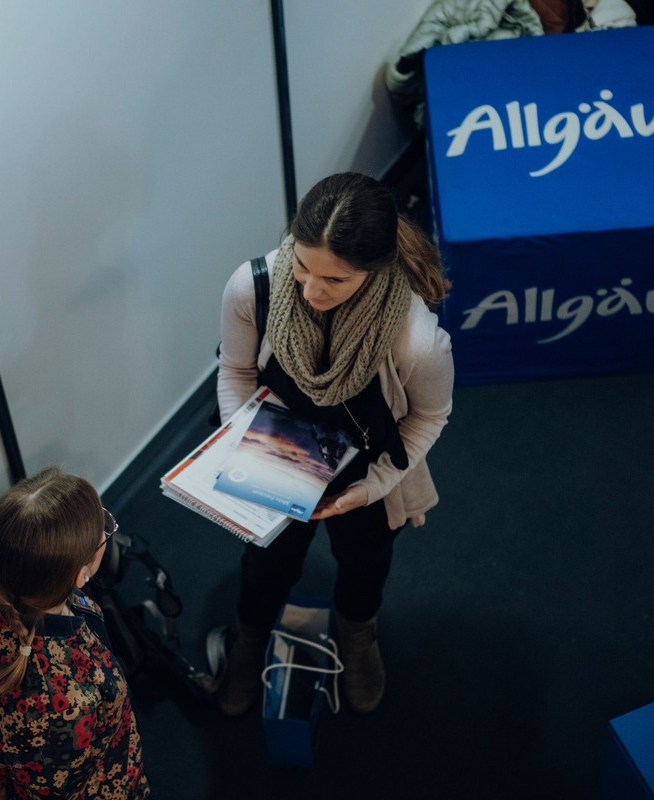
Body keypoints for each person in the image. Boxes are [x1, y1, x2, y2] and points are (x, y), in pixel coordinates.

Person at [214, 172, 454, 715]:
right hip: (275, 445)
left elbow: (430, 417)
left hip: (365, 466)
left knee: (365, 560)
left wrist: (373, 489)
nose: (310, 292)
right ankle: (249, 640)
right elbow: (234, 370)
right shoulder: (252, 286)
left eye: (336, 280)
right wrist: (240, 447)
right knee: (266, 561)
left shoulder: (417, 340)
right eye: (301, 265)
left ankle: (358, 634)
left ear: (376, 269)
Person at [0, 466, 151, 799]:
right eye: (102, 531)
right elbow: (52, 789)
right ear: (80, 574)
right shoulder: (69, 698)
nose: (103, 529)